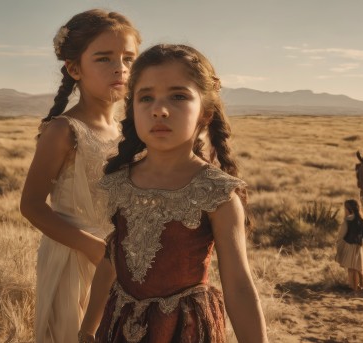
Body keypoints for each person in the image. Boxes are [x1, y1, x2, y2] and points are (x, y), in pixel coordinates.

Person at [77, 44, 268, 343]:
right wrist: (88, 327)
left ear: (205, 113)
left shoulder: (216, 193)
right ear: (133, 109)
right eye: (146, 97)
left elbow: (240, 287)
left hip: (184, 330)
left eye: (178, 96)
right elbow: (110, 260)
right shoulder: (119, 181)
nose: (159, 109)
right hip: (119, 327)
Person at [19, 9, 140, 343]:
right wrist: (95, 250)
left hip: (119, 262)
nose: (120, 68)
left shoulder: (127, 131)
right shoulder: (63, 130)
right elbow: (31, 205)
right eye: (103, 58)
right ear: (75, 68)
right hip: (74, 258)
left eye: (128, 58)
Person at [335, 199, 363, 291]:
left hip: (350, 248)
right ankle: (361, 287)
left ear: (349, 209)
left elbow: (341, 236)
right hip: (360, 248)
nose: (344, 210)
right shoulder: (362, 220)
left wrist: (339, 247)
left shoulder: (347, 220)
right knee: (359, 268)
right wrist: (361, 244)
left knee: (351, 269)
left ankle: (354, 288)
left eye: (345, 209)